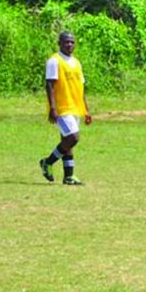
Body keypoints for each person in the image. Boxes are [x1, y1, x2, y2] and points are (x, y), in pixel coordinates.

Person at [39, 31, 91, 185]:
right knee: (73, 137)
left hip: (75, 106)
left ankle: (69, 176)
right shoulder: (54, 61)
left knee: (67, 141)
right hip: (62, 107)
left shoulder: (76, 62)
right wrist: (52, 108)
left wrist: (86, 109)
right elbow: (49, 85)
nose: (69, 45)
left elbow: (81, 87)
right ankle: (47, 162)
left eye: (72, 42)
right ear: (59, 43)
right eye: (66, 42)